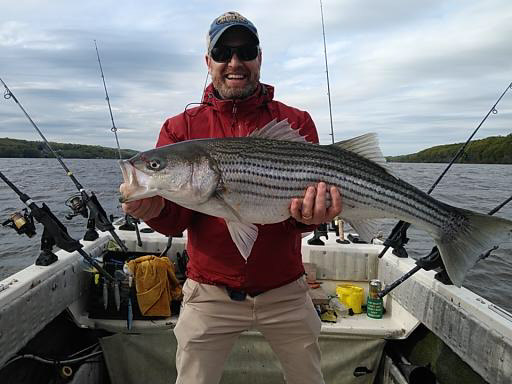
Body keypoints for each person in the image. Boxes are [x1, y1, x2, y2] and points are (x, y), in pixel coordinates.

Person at [121, 11, 342, 384]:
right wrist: (152, 209)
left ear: (259, 58)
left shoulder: (295, 121)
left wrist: (312, 217)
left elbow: (299, 214)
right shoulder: (181, 129)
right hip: (208, 292)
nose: (234, 62)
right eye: (223, 52)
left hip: (286, 290)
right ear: (208, 62)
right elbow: (177, 220)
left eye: (245, 51)